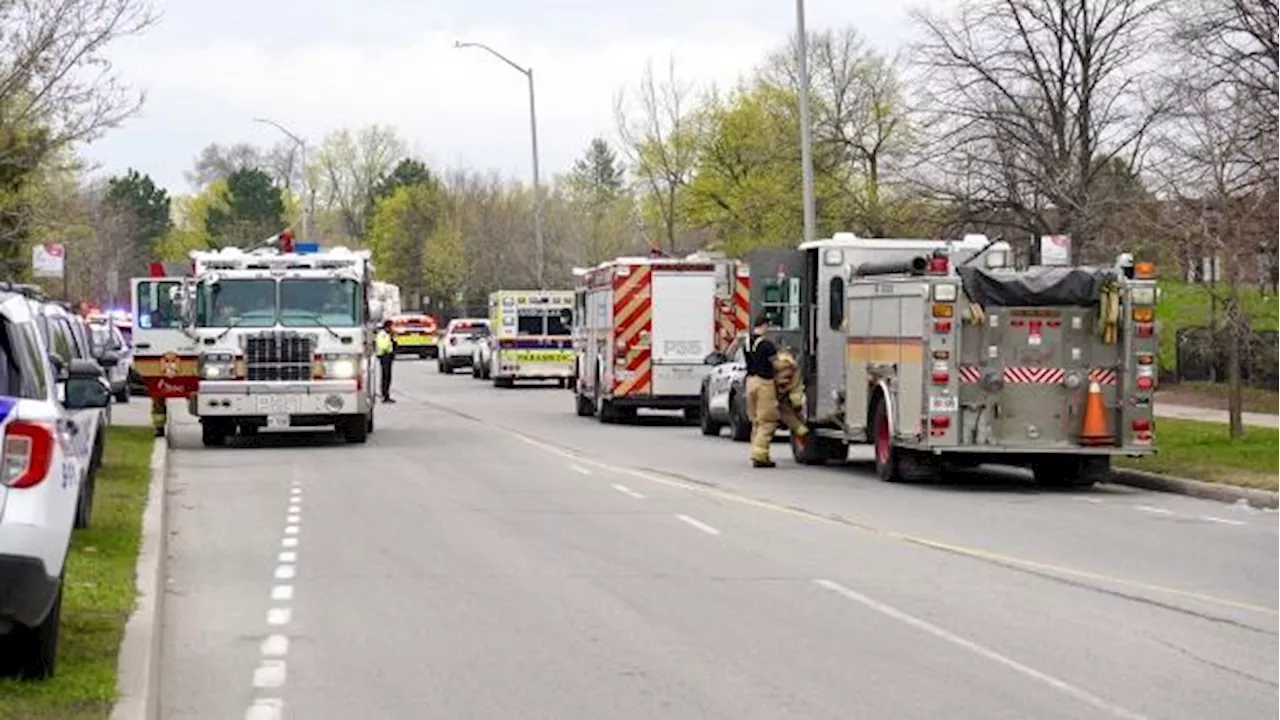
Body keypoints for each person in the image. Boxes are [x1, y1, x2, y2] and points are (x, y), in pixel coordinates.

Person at [744, 314, 809, 468]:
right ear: (764, 325)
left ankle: (755, 451)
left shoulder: (746, 342)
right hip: (764, 384)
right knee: (767, 421)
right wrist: (790, 364)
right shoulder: (767, 345)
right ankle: (760, 456)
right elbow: (776, 366)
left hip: (750, 382)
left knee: (756, 421)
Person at [375, 319, 396, 403]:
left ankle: (387, 395)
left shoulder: (388, 334)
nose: (392, 328)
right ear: (387, 327)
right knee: (385, 377)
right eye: (391, 326)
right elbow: (383, 345)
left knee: (388, 377)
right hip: (384, 356)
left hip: (388, 356)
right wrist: (390, 341)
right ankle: (385, 395)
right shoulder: (382, 334)